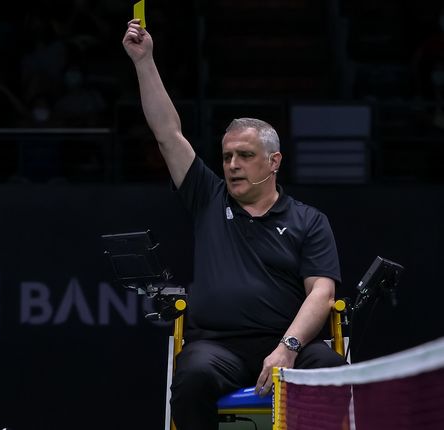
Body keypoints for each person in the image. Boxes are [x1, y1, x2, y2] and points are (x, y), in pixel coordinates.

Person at [122, 20, 347, 430]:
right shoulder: (208, 197)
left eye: (244, 155)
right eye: (227, 157)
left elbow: (322, 292)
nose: (232, 165)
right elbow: (168, 134)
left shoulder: (308, 221)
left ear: (274, 161)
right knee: (191, 378)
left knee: (331, 371)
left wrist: (288, 347)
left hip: (290, 342)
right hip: (217, 347)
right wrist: (144, 61)